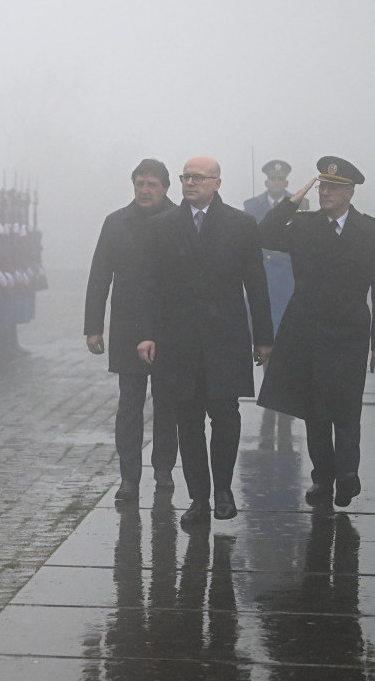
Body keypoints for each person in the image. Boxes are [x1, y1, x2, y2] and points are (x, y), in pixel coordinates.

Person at [135, 156, 273, 526]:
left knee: (225, 416)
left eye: (198, 177)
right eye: (186, 177)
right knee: (188, 421)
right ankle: (198, 498)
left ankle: (224, 490)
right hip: (178, 340)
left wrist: (264, 338)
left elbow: (256, 285)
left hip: (224, 338)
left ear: (217, 182)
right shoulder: (163, 226)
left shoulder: (240, 225)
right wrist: (146, 333)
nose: (190, 183)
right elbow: (149, 286)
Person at [257, 156, 375, 508]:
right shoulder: (303, 226)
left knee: (346, 407)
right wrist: (294, 198)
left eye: (333, 187)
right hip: (308, 329)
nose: (325, 192)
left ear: (350, 192)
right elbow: (265, 233)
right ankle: (323, 478)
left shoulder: (372, 231)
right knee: (315, 410)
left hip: (349, 331)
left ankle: (348, 475)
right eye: (321, 186)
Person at [84, 159, 180, 502]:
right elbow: (100, 275)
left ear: (166, 187)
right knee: (129, 406)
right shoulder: (116, 223)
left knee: (168, 404)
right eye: (140, 183)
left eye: (152, 184)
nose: (145, 189)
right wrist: (93, 327)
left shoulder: (180, 220)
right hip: (128, 325)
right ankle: (129, 476)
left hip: (170, 325)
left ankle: (164, 469)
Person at [244, 160, 309, 446]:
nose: (277, 184)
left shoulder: (302, 202)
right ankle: (272, 398)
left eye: (282, 180)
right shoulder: (251, 205)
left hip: (288, 278)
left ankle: (279, 400)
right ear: (267, 182)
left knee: (286, 339)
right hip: (262, 278)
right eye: (273, 179)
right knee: (264, 337)